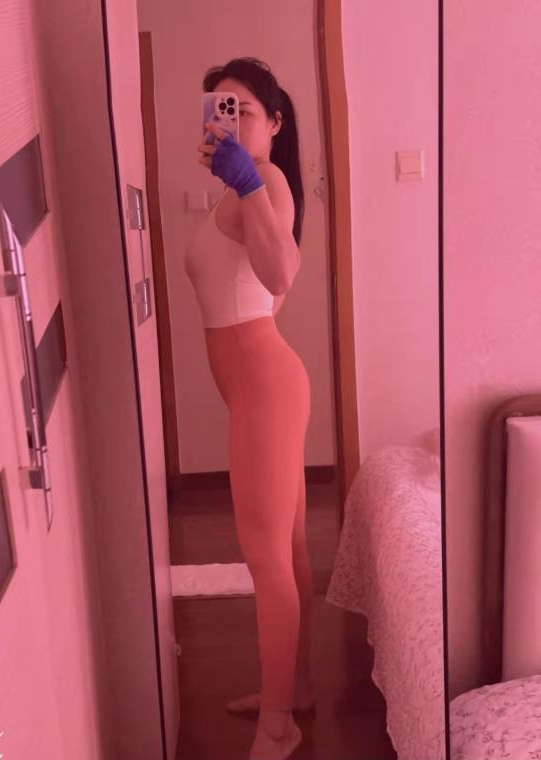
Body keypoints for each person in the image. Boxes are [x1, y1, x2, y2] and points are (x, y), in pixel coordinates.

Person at [185, 57, 314, 760]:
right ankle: (293, 690)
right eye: (220, 109)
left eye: (245, 111)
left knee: (264, 558)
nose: (230, 122)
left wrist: (248, 181)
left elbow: (281, 271)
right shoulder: (236, 194)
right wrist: (237, 187)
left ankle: (278, 725)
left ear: (275, 123)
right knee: (286, 550)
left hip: (266, 387)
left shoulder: (267, 183)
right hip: (259, 387)